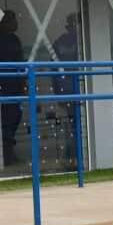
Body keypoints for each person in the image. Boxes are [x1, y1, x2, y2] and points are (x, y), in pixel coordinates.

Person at [51, 12, 83, 161]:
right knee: (77, 124)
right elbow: (54, 72)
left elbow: (54, 72)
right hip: (73, 89)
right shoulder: (77, 41)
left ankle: (72, 155)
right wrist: (59, 94)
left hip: (75, 89)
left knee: (77, 124)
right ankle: (72, 155)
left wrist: (59, 94)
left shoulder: (78, 41)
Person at [0, 9, 26, 166]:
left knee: (15, 118)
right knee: (7, 121)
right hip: (5, 86)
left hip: (15, 85)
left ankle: (9, 153)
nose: (16, 23)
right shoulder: (0, 39)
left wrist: (23, 83)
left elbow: (20, 62)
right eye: (13, 21)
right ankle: (6, 155)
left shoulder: (15, 39)